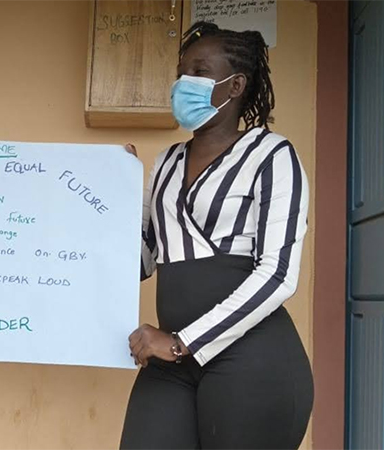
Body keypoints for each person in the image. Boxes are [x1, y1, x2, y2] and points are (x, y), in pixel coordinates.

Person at [120, 22, 314, 449]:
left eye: (199, 71)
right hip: (172, 363)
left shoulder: (273, 156)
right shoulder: (166, 163)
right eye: (181, 72)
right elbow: (143, 261)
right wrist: (117, 191)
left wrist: (180, 342)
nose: (182, 84)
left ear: (235, 85)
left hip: (253, 362)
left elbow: (278, 274)